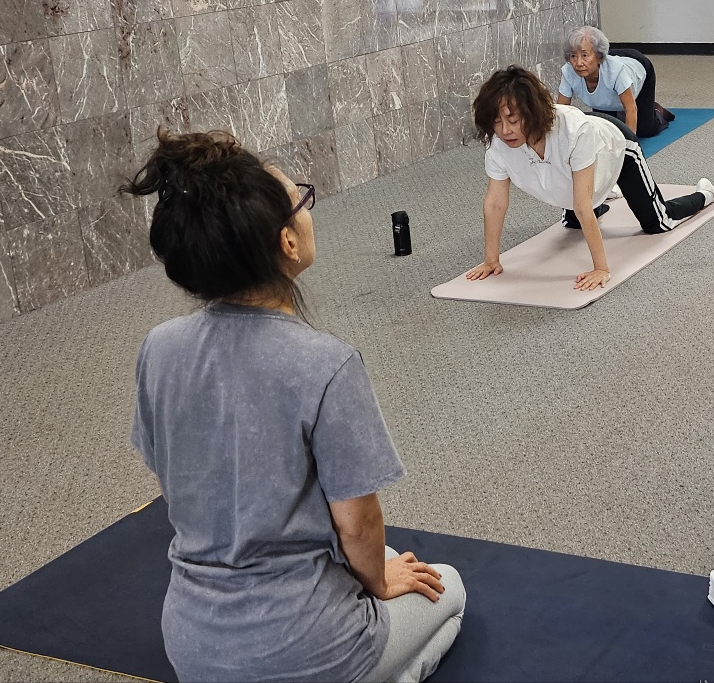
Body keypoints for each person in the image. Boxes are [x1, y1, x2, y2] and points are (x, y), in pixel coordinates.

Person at [122, 130, 466, 683]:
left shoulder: (158, 347)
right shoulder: (326, 364)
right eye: (301, 202)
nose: (309, 211)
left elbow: (174, 480)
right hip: (310, 651)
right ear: (286, 242)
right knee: (448, 589)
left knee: (389, 557)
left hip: (192, 647)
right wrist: (378, 584)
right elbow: (358, 524)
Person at [466, 66, 714, 291]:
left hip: (617, 144)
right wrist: (491, 260)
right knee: (574, 221)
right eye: (497, 122)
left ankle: (706, 194)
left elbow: (583, 205)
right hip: (578, 162)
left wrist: (601, 268)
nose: (505, 130)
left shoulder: (574, 132)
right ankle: (605, 191)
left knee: (657, 223)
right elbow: (495, 202)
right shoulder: (498, 143)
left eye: (513, 120)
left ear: (532, 114)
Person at [557, 26, 675, 138]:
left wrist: (630, 146)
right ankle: (628, 111)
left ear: (599, 56)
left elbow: (630, 109)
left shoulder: (616, 71)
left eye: (584, 55)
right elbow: (561, 110)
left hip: (637, 64)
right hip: (605, 63)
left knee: (645, 130)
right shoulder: (568, 71)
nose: (578, 63)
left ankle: (656, 111)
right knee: (606, 130)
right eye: (573, 56)